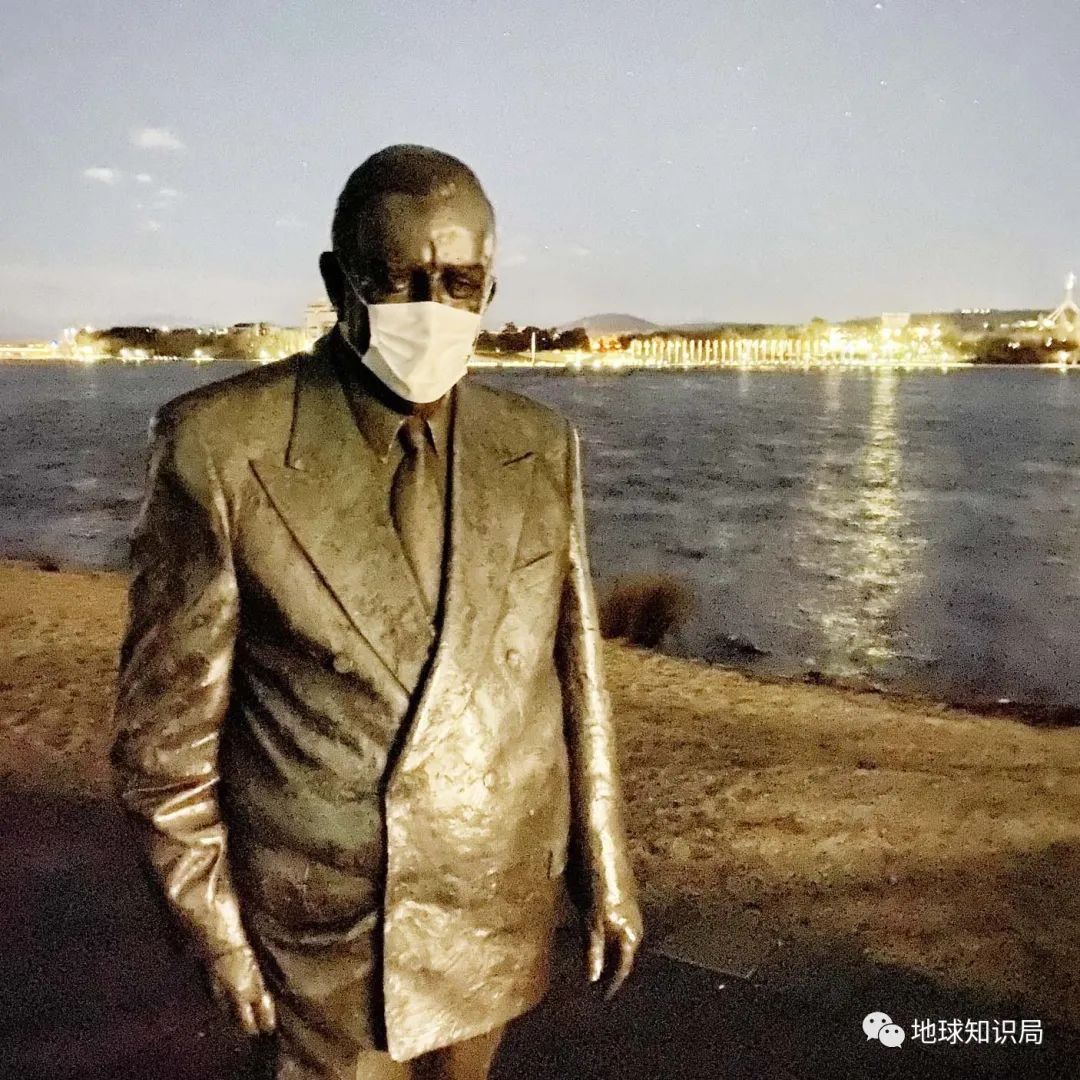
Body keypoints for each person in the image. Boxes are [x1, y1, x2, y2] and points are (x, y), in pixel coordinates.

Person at [110, 143, 642, 1080]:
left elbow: (574, 673)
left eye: (459, 283)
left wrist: (606, 864)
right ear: (338, 281)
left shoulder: (540, 444)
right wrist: (214, 930)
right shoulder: (221, 447)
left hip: (495, 905)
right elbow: (164, 747)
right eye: (398, 279)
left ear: (489, 288)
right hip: (323, 938)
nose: (432, 308)